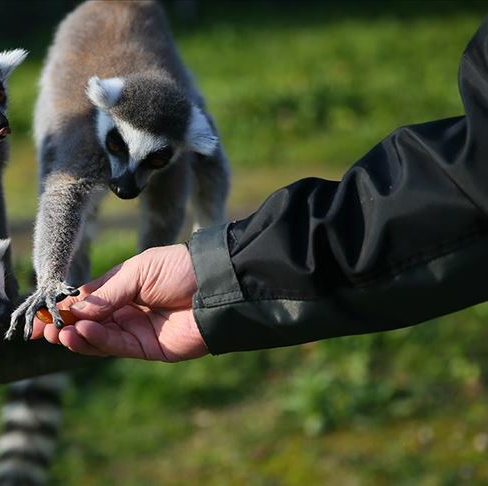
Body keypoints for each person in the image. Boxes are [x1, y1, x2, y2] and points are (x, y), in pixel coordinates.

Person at [30, 20, 488, 360]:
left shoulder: (187, 131)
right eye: (118, 145)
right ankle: (58, 280)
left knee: (170, 198)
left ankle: (146, 269)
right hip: (88, 78)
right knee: (71, 190)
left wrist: (207, 246)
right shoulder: (87, 120)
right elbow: (61, 196)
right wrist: (50, 279)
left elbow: (211, 166)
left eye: (153, 158)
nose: (127, 176)